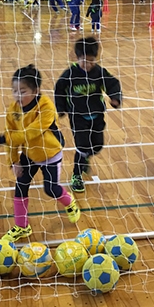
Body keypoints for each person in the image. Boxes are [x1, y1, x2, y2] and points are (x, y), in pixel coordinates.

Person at [0, 64, 81, 242]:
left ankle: (69, 201)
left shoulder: (46, 106)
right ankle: (22, 226)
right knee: (20, 186)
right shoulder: (13, 110)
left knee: (51, 189)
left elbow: (30, 133)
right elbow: (14, 139)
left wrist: (2, 139)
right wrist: (14, 161)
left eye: (22, 91)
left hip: (49, 154)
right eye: (15, 91)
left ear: (36, 90)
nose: (18, 95)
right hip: (30, 154)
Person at [54, 37, 122, 193]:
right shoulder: (70, 73)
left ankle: (85, 157)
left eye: (91, 61)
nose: (88, 64)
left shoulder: (98, 72)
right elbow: (59, 90)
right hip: (77, 117)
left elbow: (112, 83)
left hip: (97, 115)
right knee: (82, 146)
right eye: (84, 60)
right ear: (77, 58)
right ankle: (76, 175)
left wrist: (115, 98)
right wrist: (61, 108)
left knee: (97, 146)